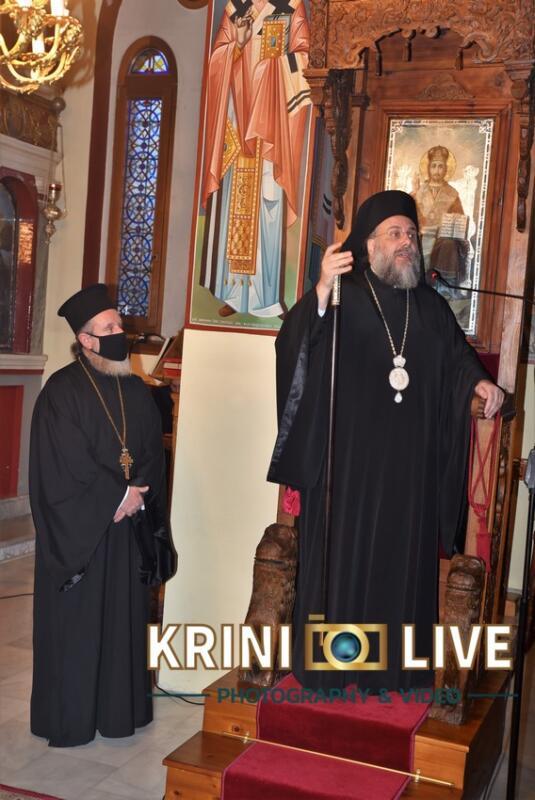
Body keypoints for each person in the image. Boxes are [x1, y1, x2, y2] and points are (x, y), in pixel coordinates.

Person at [268, 190, 504, 692]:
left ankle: (394, 668)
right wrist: (321, 288)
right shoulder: (342, 293)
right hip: (346, 467)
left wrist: (479, 383)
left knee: (400, 564)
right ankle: (332, 665)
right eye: (395, 233)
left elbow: (458, 357)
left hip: (408, 468)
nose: (406, 243)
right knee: (343, 563)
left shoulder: (429, 306)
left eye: (411, 234)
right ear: (369, 243)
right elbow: (294, 344)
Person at [29, 283, 174, 747]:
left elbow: (150, 450)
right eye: (109, 328)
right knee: (80, 628)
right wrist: (117, 496)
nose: (120, 334)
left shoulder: (134, 388)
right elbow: (60, 466)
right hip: (84, 537)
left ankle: (119, 712)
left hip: (126, 531)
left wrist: (138, 494)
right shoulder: (61, 392)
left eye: (119, 325)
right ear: (86, 340)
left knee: (122, 625)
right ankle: (70, 718)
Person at [200, 0, 311, 318]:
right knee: (233, 203)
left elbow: (306, 57)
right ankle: (232, 294)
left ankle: (267, 297)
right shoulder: (236, 8)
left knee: (268, 203)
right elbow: (216, 63)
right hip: (236, 124)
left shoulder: (291, 7)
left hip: (271, 126)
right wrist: (236, 45)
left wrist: (276, 67)